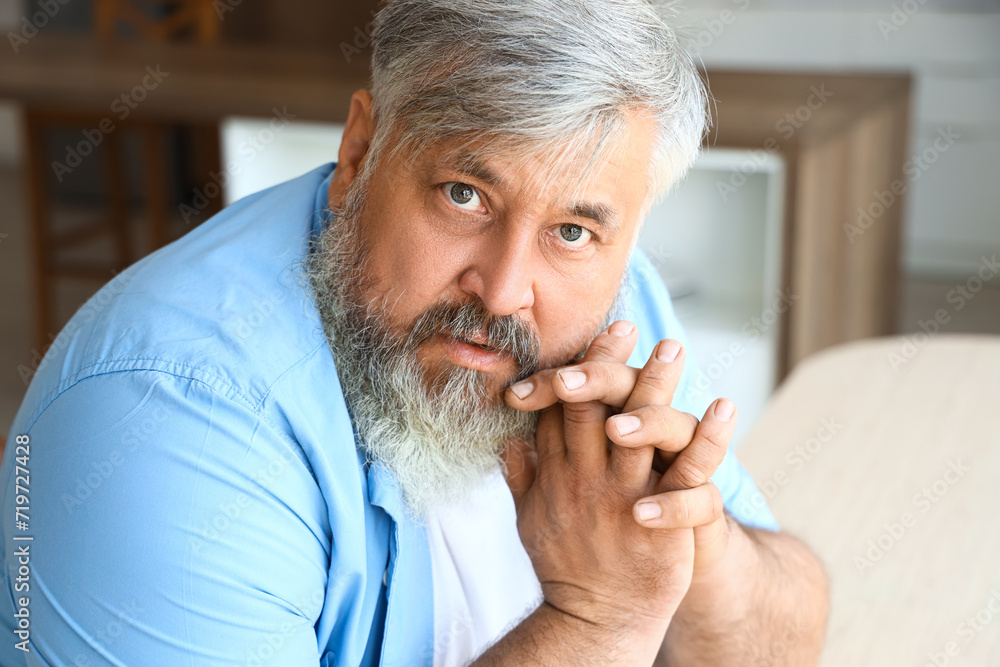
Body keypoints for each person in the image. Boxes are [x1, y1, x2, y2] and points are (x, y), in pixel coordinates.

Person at [0, 0, 829, 664]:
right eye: (465, 193)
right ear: (361, 150)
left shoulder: (611, 306)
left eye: (573, 230)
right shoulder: (163, 421)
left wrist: (688, 534)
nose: (504, 292)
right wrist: (601, 618)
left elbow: (784, 645)